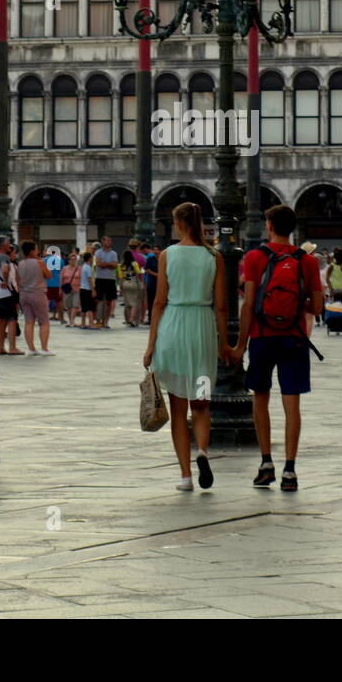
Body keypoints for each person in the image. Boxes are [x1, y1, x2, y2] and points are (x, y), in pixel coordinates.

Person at [237, 204, 323, 491]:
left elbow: (249, 304)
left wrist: (240, 345)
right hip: (295, 338)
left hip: (262, 336)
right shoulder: (307, 261)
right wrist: (296, 305)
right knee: (292, 403)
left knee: (260, 398)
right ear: (293, 228)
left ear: (270, 225)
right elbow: (319, 307)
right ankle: (290, 470)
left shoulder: (254, 257)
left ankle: (265, 464)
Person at [144, 202, 228, 492]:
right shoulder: (213, 256)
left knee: (179, 408)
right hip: (202, 328)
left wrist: (151, 343)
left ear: (179, 224)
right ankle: (202, 451)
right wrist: (224, 342)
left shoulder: (168, 255)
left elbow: (158, 302)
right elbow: (222, 305)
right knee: (202, 405)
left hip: (174, 328)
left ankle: (185, 477)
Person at [0, 236, 22, 355]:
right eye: (8, 242)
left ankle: (0, 348)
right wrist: (5, 281)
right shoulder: (4, 257)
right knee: (12, 319)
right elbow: (5, 270)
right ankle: (12, 347)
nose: (9, 244)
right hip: (6, 293)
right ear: (3, 245)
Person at [16, 241, 53, 355]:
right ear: (32, 251)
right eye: (36, 249)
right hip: (37, 293)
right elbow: (48, 275)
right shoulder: (39, 262)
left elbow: (17, 280)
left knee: (29, 322)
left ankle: (31, 348)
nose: (38, 252)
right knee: (44, 322)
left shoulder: (20, 263)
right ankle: (44, 348)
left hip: (23, 294)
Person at [93, 235, 119, 328]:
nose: (109, 242)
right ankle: (98, 319)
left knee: (109, 301)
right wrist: (109, 264)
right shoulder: (98, 252)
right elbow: (99, 264)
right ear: (103, 242)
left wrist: (105, 264)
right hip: (100, 279)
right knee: (98, 300)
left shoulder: (114, 253)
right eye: (107, 240)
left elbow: (115, 265)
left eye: (110, 240)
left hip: (110, 279)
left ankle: (106, 321)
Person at [119, 249, 144, 326]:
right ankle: (132, 320)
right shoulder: (134, 263)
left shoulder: (121, 265)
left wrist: (121, 287)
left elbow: (120, 277)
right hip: (133, 283)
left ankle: (127, 320)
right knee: (134, 303)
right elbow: (139, 273)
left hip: (125, 283)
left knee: (127, 303)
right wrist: (141, 282)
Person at [61, 251, 82, 326]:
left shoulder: (79, 269)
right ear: (69, 260)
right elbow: (61, 279)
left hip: (77, 289)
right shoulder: (64, 269)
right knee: (68, 306)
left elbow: (82, 279)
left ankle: (72, 321)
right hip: (67, 290)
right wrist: (60, 289)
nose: (73, 261)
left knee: (75, 306)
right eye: (71, 259)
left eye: (75, 259)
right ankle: (71, 321)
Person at [44, 245, 65, 322]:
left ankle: (44, 319)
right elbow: (62, 272)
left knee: (46, 301)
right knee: (59, 301)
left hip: (47, 283)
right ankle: (62, 318)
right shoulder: (61, 260)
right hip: (57, 283)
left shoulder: (44, 260)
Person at [78, 251, 97, 329]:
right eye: (92, 257)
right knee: (90, 307)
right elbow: (90, 279)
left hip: (82, 288)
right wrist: (93, 290)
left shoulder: (83, 267)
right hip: (87, 289)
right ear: (89, 258)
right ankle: (91, 323)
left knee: (84, 308)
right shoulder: (88, 267)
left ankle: (83, 323)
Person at [142, 244, 160, 325]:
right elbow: (147, 270)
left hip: (160, 284)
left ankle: (159, 318)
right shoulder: (150, 259)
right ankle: (150, 319)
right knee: (150, 302)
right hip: (152, 283)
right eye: (154, 250)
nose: (156, 251)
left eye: (157, 250)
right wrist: (157, 275)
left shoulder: (163, 259)